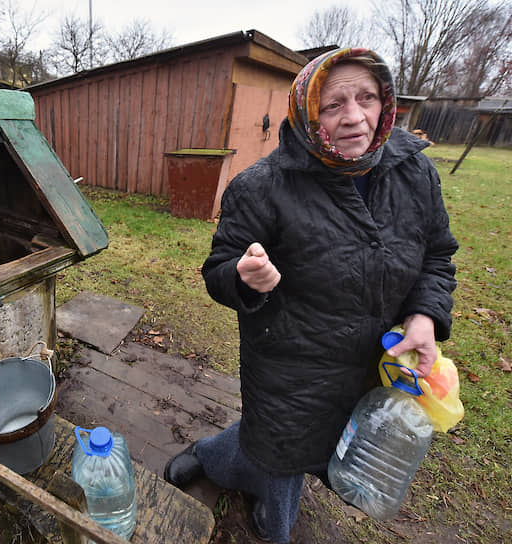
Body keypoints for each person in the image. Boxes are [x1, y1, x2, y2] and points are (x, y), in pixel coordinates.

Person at [163, 48, 458, 543]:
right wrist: (242, 275)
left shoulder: (415, 172)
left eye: (366, 98)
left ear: (385, 101)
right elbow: (219, 269)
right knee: (282, 447)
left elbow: (436, 256)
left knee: (321, 441)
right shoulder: (262, 186)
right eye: (333, 104)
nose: (355, 117)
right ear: (306, 113)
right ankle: (271, 524)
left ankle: (215, 457)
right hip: (290, 363)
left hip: (375, 361)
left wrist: (425, 317)